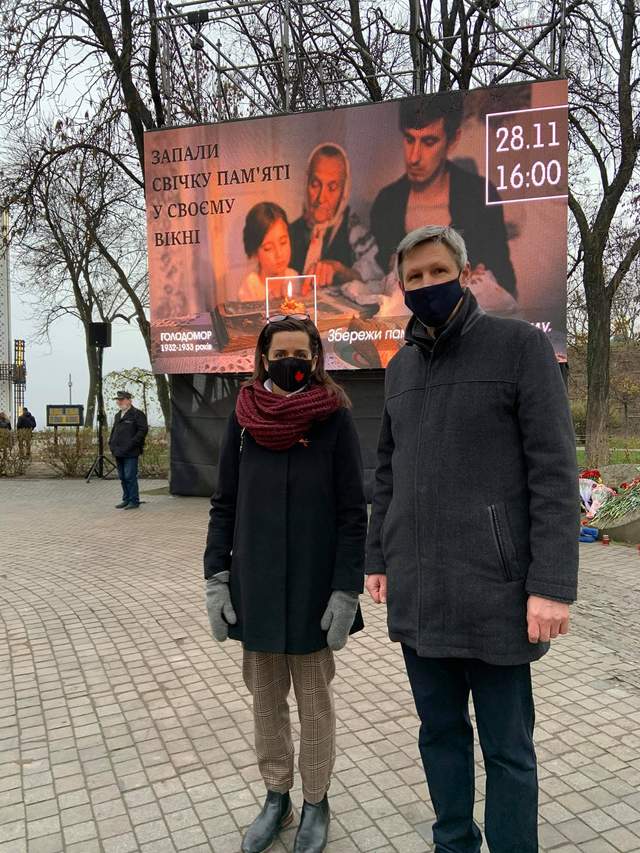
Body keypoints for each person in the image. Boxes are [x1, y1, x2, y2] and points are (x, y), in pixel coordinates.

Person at [365, 225, 579, 853]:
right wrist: (378, 557)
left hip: (497, 597)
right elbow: (387, 472)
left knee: (508, 749)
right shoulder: (400, 368)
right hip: (420, 596)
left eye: (438, 271)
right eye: (414, 277)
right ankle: (453, 842)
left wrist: (551, 586)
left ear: (464, 274)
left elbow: (554, 472)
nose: (426, 284)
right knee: (439, 735)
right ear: (401, 286)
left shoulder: (519, 348)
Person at [203, 315, 367, 853]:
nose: (290, 363)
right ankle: (277, 797)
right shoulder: (243, 418)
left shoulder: (334, 417)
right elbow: (224, 504)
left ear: (315, 358)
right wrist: (216, 578)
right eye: (280, 355)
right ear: (264, 359)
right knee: (266, 701)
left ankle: (316, 801)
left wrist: (346, 589)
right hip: (256, 587)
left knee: (314, 702)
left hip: (315, 592)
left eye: (301, 353)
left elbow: (353, 512)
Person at [370, 94, 517, 298]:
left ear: (453, 140)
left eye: (429, 142)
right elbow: (377, 277)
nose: (414, 157)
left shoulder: (480, 196)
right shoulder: (386, 202)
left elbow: (507, 283)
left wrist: (485, 280)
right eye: (409, 139)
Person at [289, 143, 382, 287]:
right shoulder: (290, 232)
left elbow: (376, 276)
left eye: (332, 188)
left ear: (344, 191)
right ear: (306, 184)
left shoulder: (355, 233)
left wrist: (340, 271)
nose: (321, 198)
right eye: (315, 184)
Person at [239, 202, 299, 302]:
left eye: (283, 242)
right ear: (255, 252)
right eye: (268, 248)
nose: (279, 254)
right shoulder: (250, 286)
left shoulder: (294, 277)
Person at [108, 391, 148, 510]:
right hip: (118, 451)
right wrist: (111, 444)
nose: (119, 402)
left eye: (122, 399)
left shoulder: (137, 414)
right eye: (118, 400)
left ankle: (134, 501)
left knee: (130, 476)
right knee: (122, 477)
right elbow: (114, 431)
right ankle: (126, 499)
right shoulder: (118, 415)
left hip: (131, 451)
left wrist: (132, 443)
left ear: (129, 400)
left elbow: (142, 431)